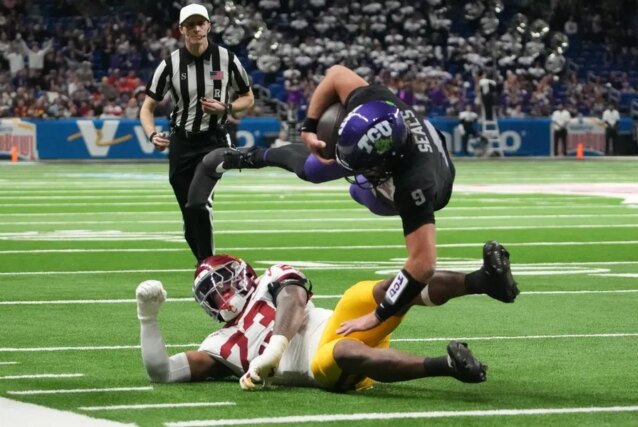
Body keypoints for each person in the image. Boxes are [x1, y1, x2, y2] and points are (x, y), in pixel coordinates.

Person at [222, 65, 519, 334]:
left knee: (357, 190)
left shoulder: (414, 185)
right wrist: (309, 127)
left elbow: (423, 264)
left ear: (386, 164)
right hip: (405, 145)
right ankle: (254, 157)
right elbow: (337, 74)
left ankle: (258, 157)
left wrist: (378, 315)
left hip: (432, 180)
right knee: (317, 165)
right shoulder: (374, 101)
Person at [136, 253, 518, 391]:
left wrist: (274, 349)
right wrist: (147, 317)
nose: (220, 298)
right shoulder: (218, 345)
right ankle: (450, 366)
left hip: (341, 324)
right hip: (321, 369)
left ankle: (484, 281)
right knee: (339, 352)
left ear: (241, 274)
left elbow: (293, 299)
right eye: (211, 296)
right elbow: (162, 373)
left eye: (221, 286)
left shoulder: (271, 279)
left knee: (371, 291)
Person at [139, 3, 254, 263]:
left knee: (198, 204)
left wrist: (226, 107)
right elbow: (146, 108)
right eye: (190, 25)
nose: (196, 29)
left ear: (209, 26)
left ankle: (209, 266)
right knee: (189, 216)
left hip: (214, 140)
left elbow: (248, 97)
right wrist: (152, 135)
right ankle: (204, 265)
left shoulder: (227, 59)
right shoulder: (170, 64)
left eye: (200, 23)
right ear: (181, 29)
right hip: (181, 142)